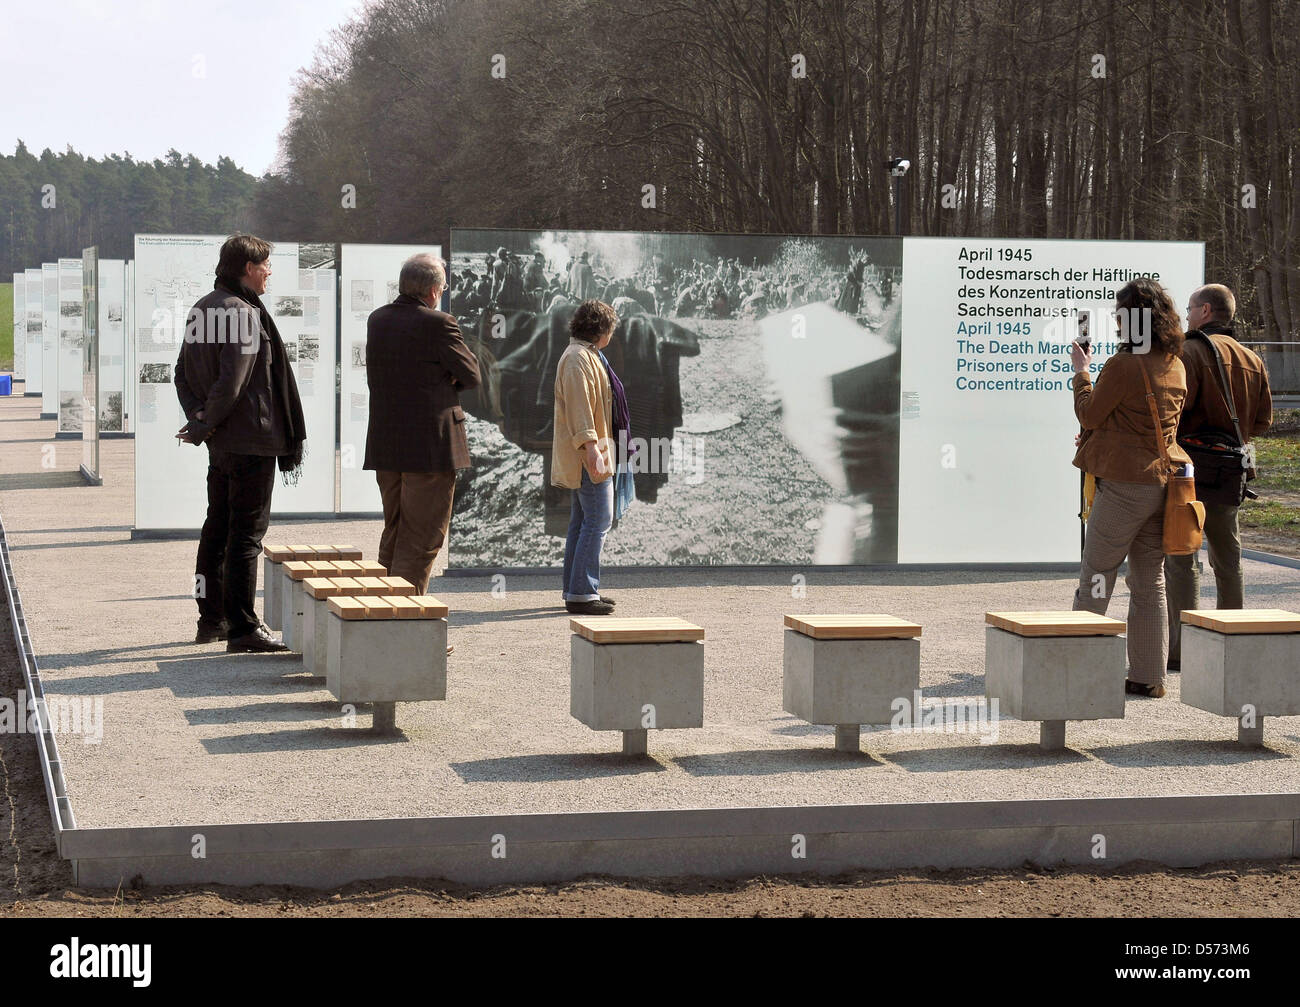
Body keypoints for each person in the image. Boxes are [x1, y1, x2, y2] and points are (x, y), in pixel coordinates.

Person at [175, 233, 307, 652]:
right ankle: (244, 628)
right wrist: (203, 424)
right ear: (248, 269)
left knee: (217, 529)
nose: (270, 272)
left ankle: (210, 619)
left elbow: (180, 372)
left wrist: (199, 418)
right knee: (246, 536)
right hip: (252, 439)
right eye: (266, 265)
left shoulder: (203, 308)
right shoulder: (243, 313)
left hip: (223, 442)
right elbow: (232, 383)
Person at [1069, 277, 1193, 698]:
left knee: (1096, 576)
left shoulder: (1124, 364)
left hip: (1125, 486)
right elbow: (1145, 423)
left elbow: (1089, 414)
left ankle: (1078, 672)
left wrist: (1081, 373)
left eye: (1121, 313)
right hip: (1164, 483)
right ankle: (1148, 676)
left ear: (1134, 317)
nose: (1117, 320)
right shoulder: (1175, 363)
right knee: (1148, 583)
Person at [1164, 284, 1273, 669]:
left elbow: (1173, 411)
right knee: (1229, 559)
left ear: (1206, 311)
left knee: (1182, 559)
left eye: (1191, 308)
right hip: (1230, 471)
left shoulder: (1189, 352)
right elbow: (1262, 422)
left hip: (1188, 472)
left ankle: (1184, 652)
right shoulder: (1252, 359)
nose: (1187, 315)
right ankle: (1232, 640)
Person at [364, 254, 480, 608]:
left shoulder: (377, 319)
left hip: (387, 444)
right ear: (433, 291)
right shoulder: (439, 323)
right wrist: (442, 380)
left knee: (395, 532)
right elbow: (472, 373)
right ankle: (404, 625)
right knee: (422, 538)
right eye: (442, 288)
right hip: (429, 447)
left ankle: (377, 615)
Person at [553, 299, 618, 615]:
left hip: (587, 452)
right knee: (598, 520)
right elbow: (580, 411)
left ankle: (578, 589)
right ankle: (582, 592)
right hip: (587, 455)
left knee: (582, 522)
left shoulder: (583, 355)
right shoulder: (579, 358)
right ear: (601, 330)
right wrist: (592, 450)